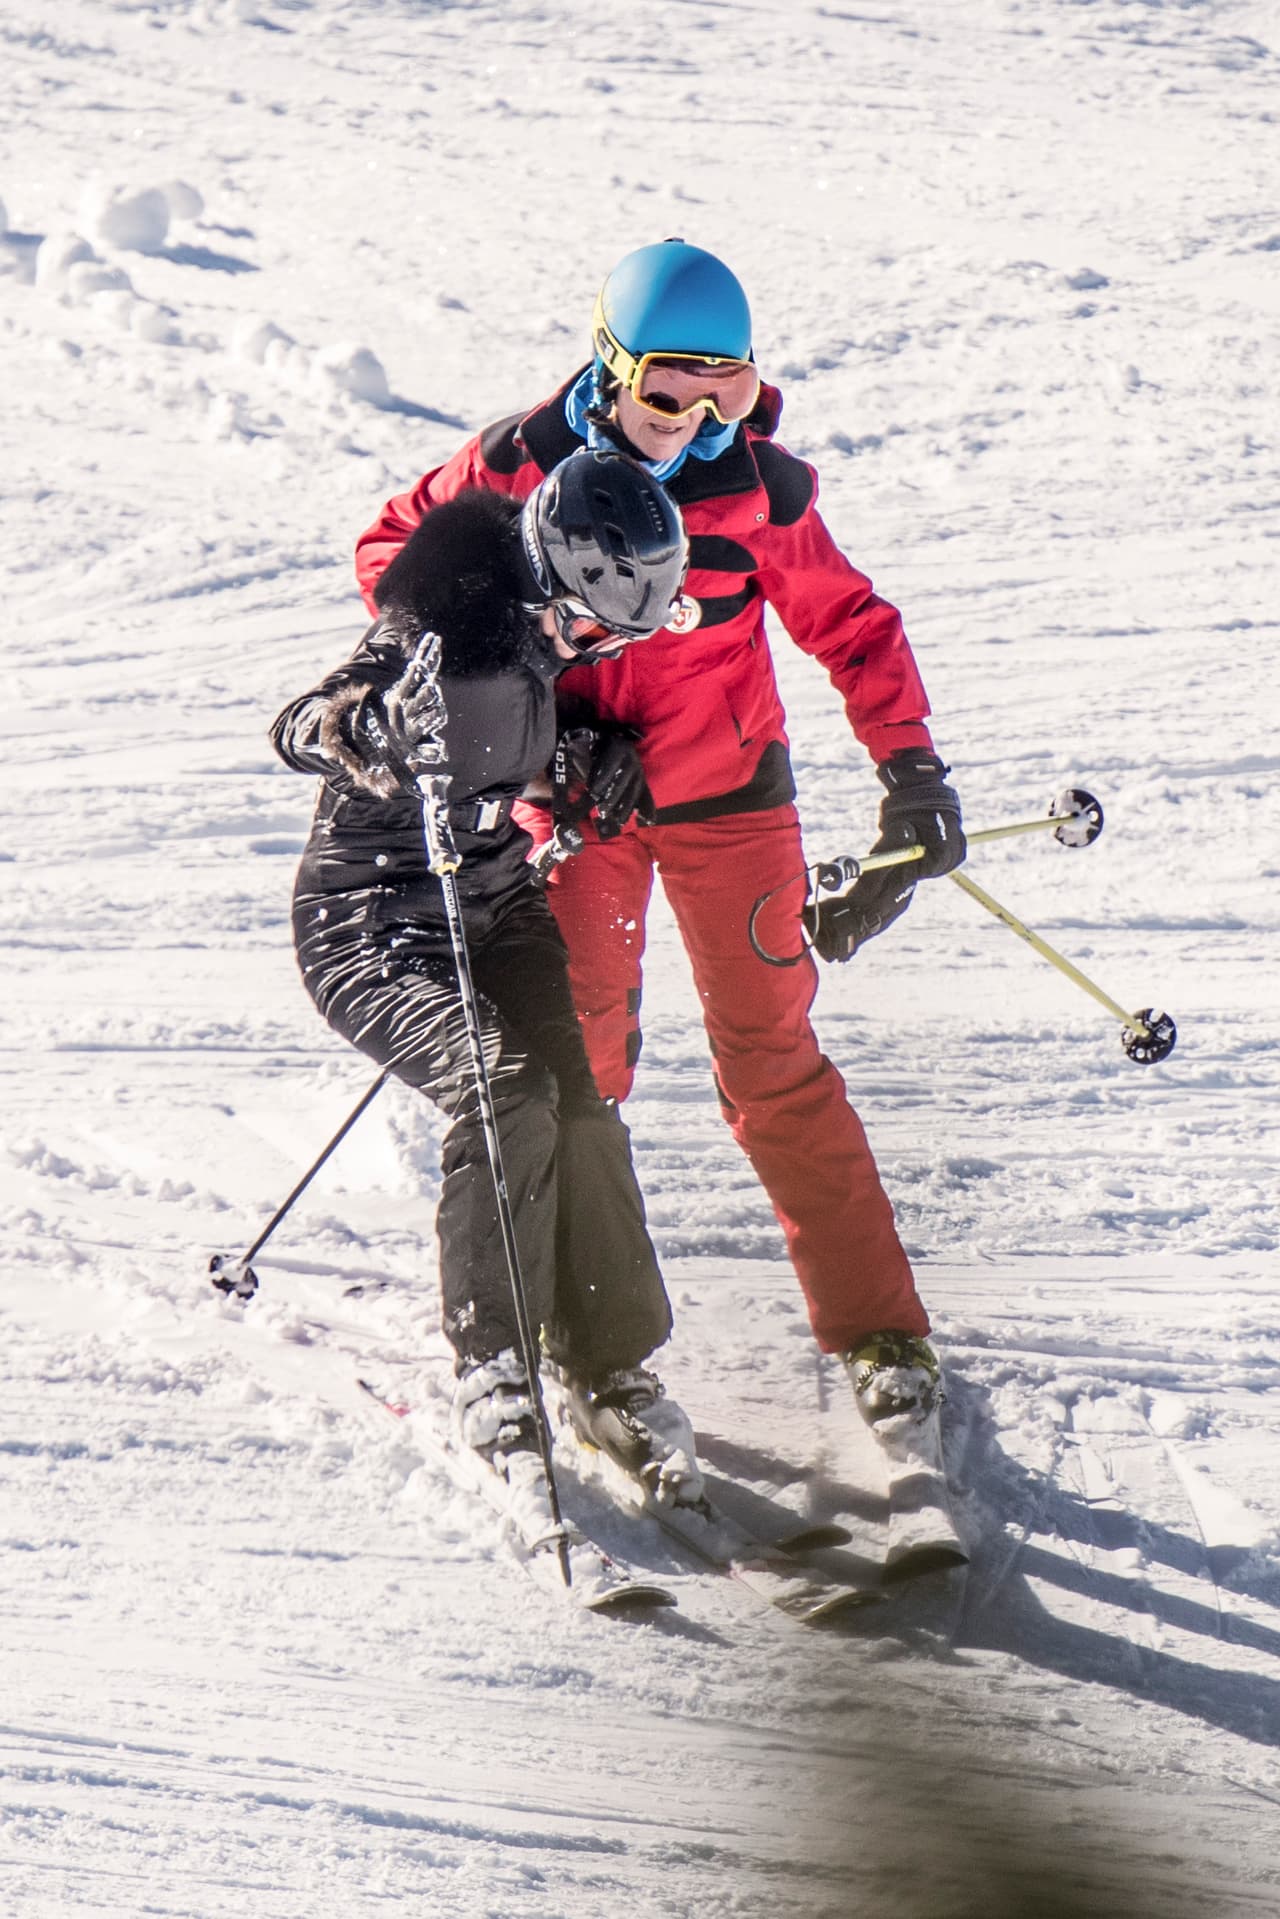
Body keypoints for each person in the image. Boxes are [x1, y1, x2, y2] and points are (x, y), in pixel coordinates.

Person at [353, 241, 966, 1426]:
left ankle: (878, 1326)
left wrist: (910, 770)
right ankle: (575, 1329)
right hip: (579, 808)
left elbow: (851, 625)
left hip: (731, 800)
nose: (695, 422)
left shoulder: (759, 492)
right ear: (610, 364)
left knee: (771, 1060)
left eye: (726, 391)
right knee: (577, 1068)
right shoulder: (515, 462)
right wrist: (532, 715)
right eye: (668, 392)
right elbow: (393, 553)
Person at [272, 448, 705, 1492]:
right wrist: (369, 726)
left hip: (496, 902)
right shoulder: (428, 630)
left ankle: (605, 1356)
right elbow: (299, 725)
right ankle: (494, 1365)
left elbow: (511, 732)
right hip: (369, 921)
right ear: (542, 579)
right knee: (504, 1087)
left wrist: (583, 756)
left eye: (615, 637)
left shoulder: (540, 635)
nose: (591, 649)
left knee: (577, 1094)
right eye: (587, 629)